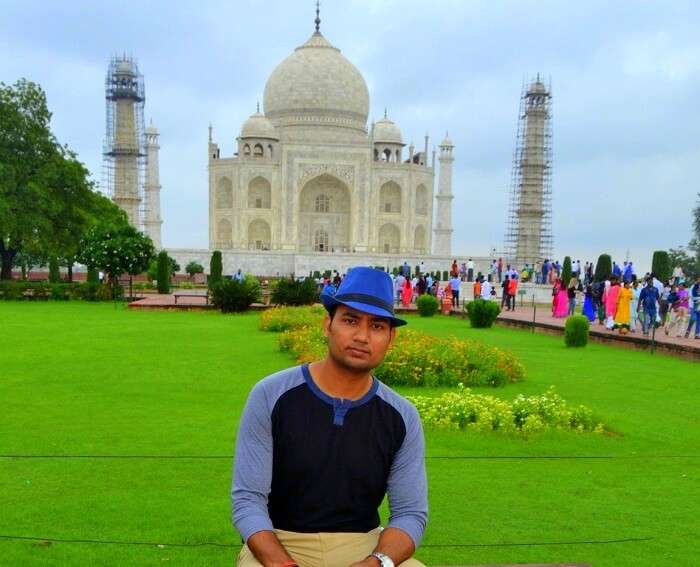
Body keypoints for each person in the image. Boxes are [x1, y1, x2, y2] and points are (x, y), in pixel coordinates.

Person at [233, 267, 427, 567]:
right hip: (281, 541)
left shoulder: (401, 415)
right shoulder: (272, 395)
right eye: (350, 320)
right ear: (328, 324)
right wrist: (282, 563)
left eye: (376, 326)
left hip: (364, 545)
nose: (362, 336)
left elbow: (410, 514)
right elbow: (248, 500)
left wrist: (377, 563)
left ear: (391, 338)